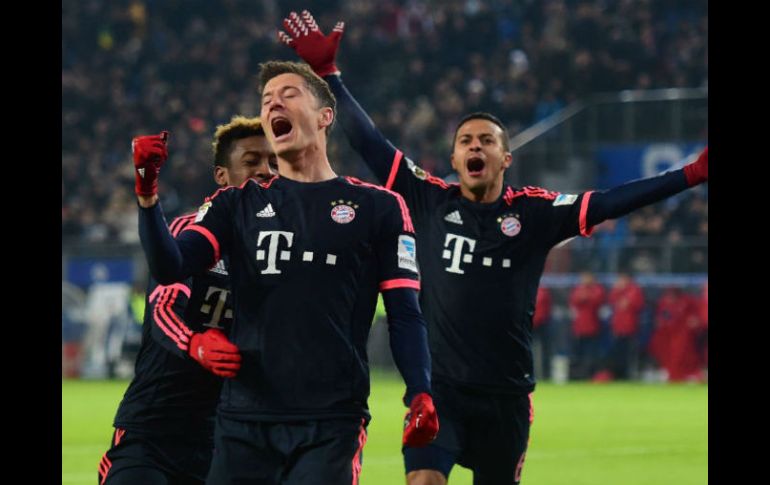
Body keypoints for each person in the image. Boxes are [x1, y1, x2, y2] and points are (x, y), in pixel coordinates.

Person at [279, 10, 709, 484]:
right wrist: (330, 76)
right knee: (423, 480)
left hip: (505, 397)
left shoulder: (534, 213)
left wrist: (689, 175)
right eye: (465, 141)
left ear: (506, 157)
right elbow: (370, 143)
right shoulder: (428, 198)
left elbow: (611, 202)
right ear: (455, 158)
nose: (474, 146)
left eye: (486, 140)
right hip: (439, 389)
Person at [131, 61, 439, 485]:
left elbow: (405, 313)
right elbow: (169, 267)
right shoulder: (235, 205)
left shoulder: (380, 207)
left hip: (331, 422)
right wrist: (148, 197)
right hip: (243, 421)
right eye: (266, 100)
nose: (273, 101)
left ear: (324, 116)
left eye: (289, 93)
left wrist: (420, 390)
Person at [99, 116, 277, 484]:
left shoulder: (286, 247)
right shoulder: (190, 231)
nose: (266, 170)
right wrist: (193, 343)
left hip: (232, 434)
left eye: (273, 161)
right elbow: (165, 304)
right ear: (222, 177)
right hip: (156, 426)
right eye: (252, 161)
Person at [595, 272, 645, 381]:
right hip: (617, 328)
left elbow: (635, 304)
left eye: (622, 279)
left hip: (631, 328)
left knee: (629, 354)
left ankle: (629, 375)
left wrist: (624, 300)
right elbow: (612, 301)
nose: (620, 281)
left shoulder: (635, 290)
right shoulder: (616, 290)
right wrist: (618, 292)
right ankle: (618, 374)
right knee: (618, 354)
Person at [568, 272, 605, 380]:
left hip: (593, 327)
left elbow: (596, 300)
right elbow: (574, 300)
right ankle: (578, 375)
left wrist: (585, 297)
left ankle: (591, 375)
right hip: (579, 328)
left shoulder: (597, 289)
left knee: (591, 353)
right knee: (578, 353)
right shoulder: (578, 289)